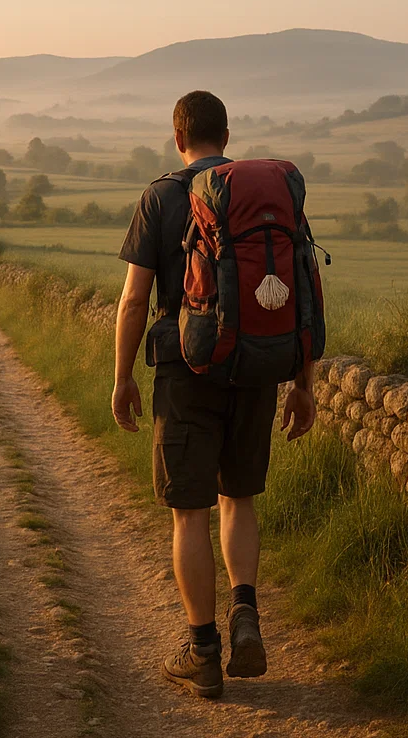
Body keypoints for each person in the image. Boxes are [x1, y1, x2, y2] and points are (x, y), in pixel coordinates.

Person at [111, 90, 316, 699]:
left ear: (178, 139)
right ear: (226, 136)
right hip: (256, 367)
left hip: (186, 373)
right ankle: (245, 613)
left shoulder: (161, 196)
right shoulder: (264, 196)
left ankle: (202, 650)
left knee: (189, 513)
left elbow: (132, 300)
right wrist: (303, 384)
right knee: (239, 499)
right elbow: (303, 287)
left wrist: (122, 378)